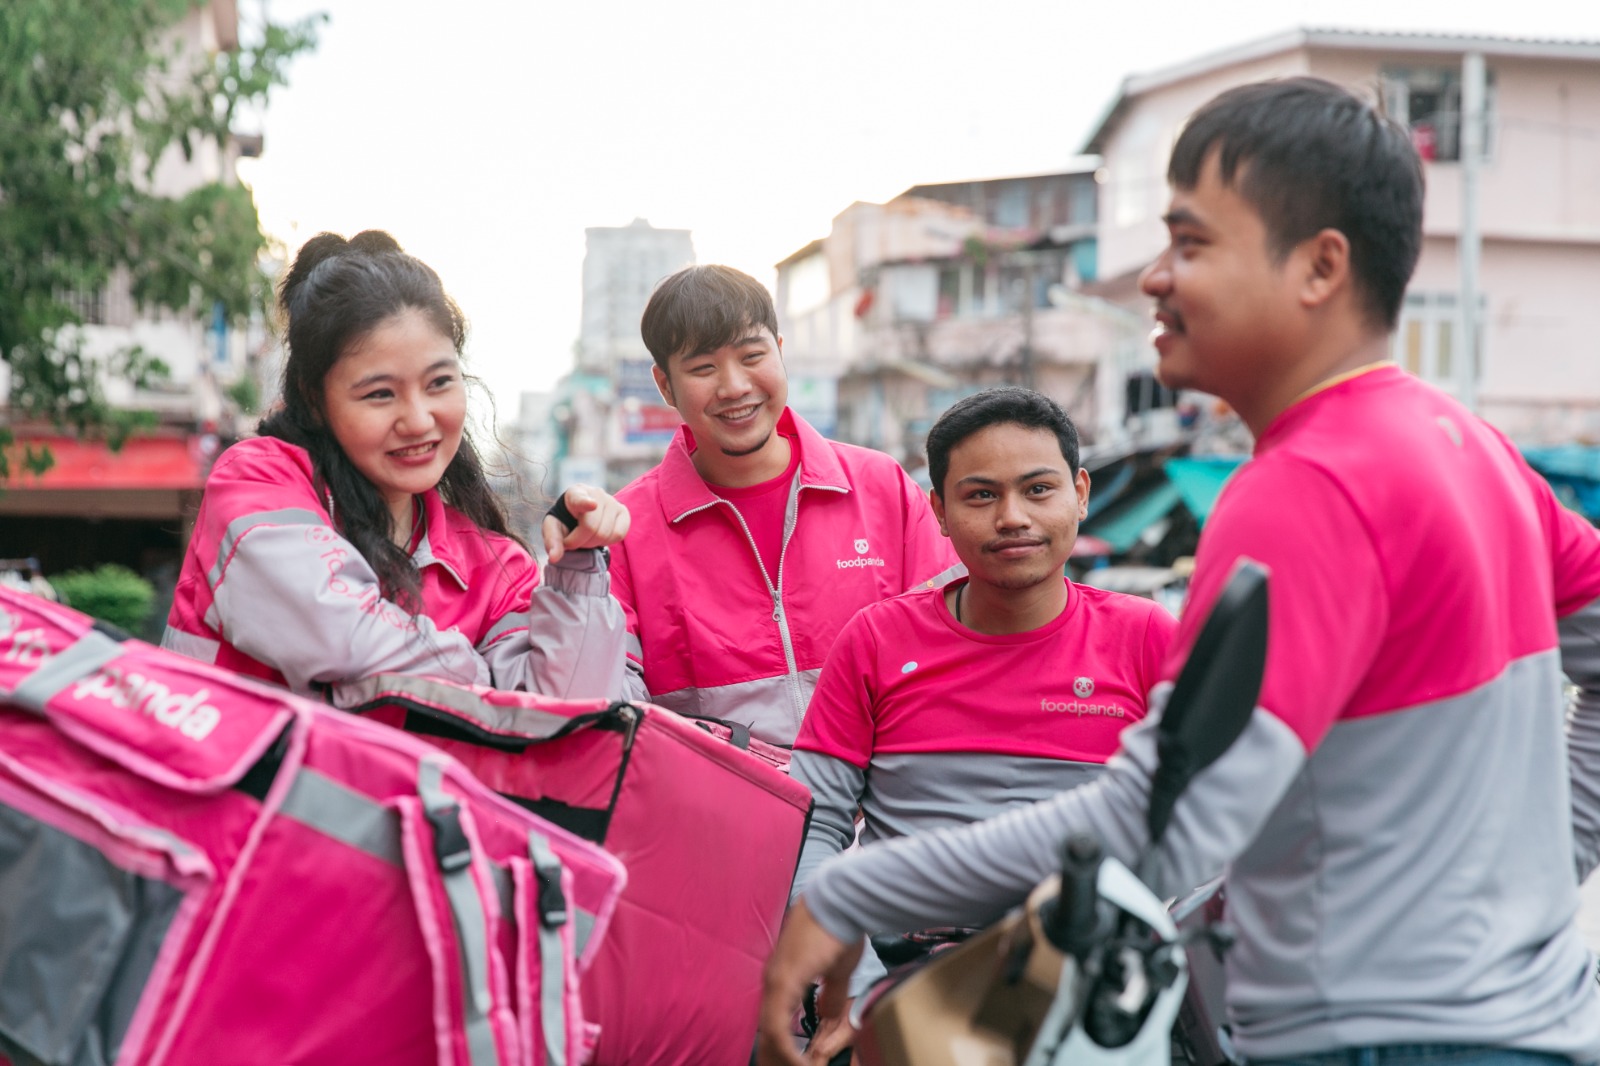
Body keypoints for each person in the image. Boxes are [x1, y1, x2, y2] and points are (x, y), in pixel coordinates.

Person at [758, 77, 1600, 1066]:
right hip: (1522, 1023)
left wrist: (848, 894)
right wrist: (1547, 861)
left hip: (1375, 1038)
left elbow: (1153, 815)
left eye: (1192, 243)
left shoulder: (1305, 485)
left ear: (1319, 267)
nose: (1156, 277)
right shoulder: (1470, 448)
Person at [790, 386, 1176, 1062]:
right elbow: (813, 828)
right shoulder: (877, 641)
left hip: (1094, 998)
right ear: (937, 510)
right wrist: (857, 989)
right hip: (907, 988)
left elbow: (1196, 826)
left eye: (1038, 489)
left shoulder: (1147, 638)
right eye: (979, 496)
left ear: (1080, 494)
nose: (1013, 518)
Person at [164, 230, 640, 703]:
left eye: (438, 383)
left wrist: (579, 568)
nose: (417, 420)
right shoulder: (257, 480)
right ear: (315, 399)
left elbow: (571, 717)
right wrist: (491, 685)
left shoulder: (497, 567)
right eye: (380, 394)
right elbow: (344, 637)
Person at [609, 265, 960, 747]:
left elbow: (955, 650)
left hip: (887, 812)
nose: (734, 387)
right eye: (703, 368)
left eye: (753, 355)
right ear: (665, 385)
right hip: (724, 814)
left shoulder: (882, 488)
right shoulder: (625, 532)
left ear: (780, 350)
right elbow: (612, 710)